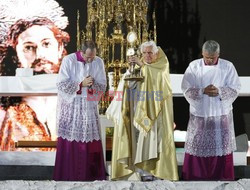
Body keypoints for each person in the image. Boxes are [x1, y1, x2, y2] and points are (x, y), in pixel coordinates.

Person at [0, 0, 70, 150]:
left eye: (46, 44)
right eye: (29, 47)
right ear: (15, 56)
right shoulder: (6, 114)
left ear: (59, 48)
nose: (39, 55)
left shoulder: (73, 108)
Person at [106, 40, 179, 181]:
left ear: (156, 53)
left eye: (150, 53)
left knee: (155, 140)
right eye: (144, 53)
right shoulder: (141, 66)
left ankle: (156, 171)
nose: (147, 56)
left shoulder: (161, 65)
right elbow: (129, 84)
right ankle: (140, 171)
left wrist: (141, 64)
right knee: (138, 139)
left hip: (156, 112)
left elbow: (156, 77)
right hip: (138, 109)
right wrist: (131, 71)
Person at [181, 40, 241, 180]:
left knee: (221, 147)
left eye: (212, 57)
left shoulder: (227, 66)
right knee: (197, 147)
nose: (209, 60)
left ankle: (223, 178)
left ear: (218, 54)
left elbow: (235, 88)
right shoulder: (194, 66)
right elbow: (186, 89)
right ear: (202, 53)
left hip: (220, 114)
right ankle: (195, 177)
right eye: (206, 57)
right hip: (201, 115)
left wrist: (219, 91)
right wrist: (202, 91)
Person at [53, 41, 107, 181]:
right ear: (81, 52)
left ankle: (91, 176)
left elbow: (102, 85)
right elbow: (61, 84)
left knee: (90, 140)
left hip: (88, 105)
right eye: (88, 57)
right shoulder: (69, 60)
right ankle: (68, 175)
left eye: (92, 57)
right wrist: (80, 84)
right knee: (72, 140)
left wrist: (93, 83)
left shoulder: (98, 61)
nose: (90, 60)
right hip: (72, 106)